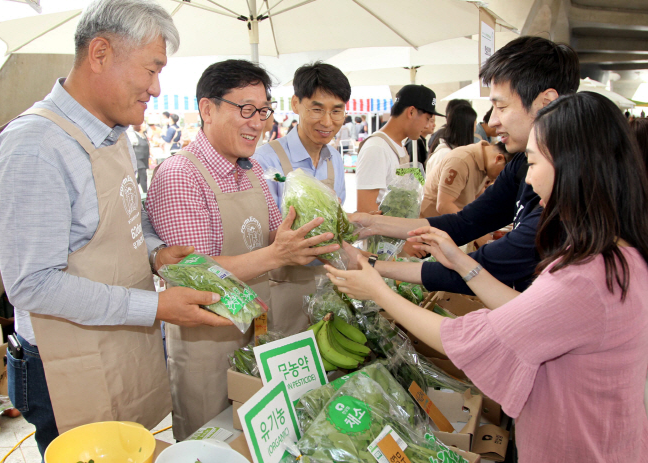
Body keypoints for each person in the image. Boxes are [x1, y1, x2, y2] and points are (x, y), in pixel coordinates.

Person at [328, 92, 648, 463]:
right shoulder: (617, 254)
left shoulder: (586, 276)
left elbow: (464, 339)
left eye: (533, 162)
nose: (528, 177)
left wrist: (379, 291)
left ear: (571, 166)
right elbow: (526, 311)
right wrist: (463, 265)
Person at [0, 0, 233, 457]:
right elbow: (32, 285)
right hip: (63, 367)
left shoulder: (112, 134)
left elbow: (121, 222)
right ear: (100, 54)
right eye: (151, 69)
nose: (157, 89)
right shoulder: (33, 148)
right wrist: (154, 305)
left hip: (120, 343)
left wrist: (154, 252)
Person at [145, 59, 339, 440]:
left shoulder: (249, 169)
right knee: (215, 444)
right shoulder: (180, 175)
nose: (258, 122)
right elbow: (195, 274)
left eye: (263, 111)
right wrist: (277, 255)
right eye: (245, 109)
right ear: (207, 109)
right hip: (208, 346)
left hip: (257, 336)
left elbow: (271, 234)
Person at [349, 36, 580, 294]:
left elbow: (477, 270)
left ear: (547, 102)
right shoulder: (521, 165)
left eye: (501, 106)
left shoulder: (571, 193)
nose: (492, 122)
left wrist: (370, 264)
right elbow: (465, 223)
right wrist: (369, 224)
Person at [253, 62, 350, 335]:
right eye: (317, 109)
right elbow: (259, 236)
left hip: (328, 286)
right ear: (296, 104)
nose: (327, 122)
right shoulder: (266, 160)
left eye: (337, 111)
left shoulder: (335, 161)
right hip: (282, 289)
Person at [355, 84, 443, 213]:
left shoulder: (399, 146)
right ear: (411, 112)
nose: (426, 125)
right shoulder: (377, 148)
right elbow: (365, 209)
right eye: (427, 119)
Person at [421, 141, 511, 217]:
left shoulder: (484, 164)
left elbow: (479, 199)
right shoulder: (460, 161)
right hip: (429, 222)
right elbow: (443, 206)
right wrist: (475, 229)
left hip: (449, 224)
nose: (500, 178)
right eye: (504, 173)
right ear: (499, 159)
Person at [425, 104, 477, 172]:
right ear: (467, 128)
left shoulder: (454, 151)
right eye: (475, 124)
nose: (475, 129)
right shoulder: (445, 154)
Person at [129, 123, 151, 192]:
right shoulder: (133, 135)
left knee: (139, 178)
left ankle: (133, 190)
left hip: (145, 158)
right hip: (138, 158)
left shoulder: (144, 135)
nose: (144, 126)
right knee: (143, 175)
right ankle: (145, 193)